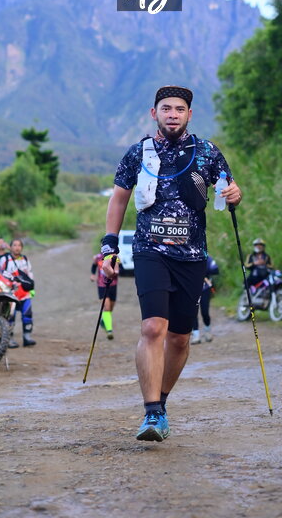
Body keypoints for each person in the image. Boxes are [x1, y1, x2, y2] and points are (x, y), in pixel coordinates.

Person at [101, 84, 242, 442]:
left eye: (179, 109)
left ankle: (161, 403)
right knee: (153, 328)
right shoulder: (138, 153)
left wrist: (234, 194)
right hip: (150, 251)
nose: (173, 115)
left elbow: (229, 191)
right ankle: (151, 413)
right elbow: (118, 200)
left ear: (189, 114)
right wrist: (109, 247)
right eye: (166, 109)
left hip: (192, 256)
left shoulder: (207, 152)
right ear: (154, 114)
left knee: (179, 338)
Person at [0, 239, 36, 348]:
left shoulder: (25, 259)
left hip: (24, 293)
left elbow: (29, 274)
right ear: (10, 247)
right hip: (10, 294)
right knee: (10, 317)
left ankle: (27, 338)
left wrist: (31, 288)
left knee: (27, 315)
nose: (17, 247)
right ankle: (8, 339)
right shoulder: (4, 260)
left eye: (19, 245)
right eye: (14, 245)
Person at [190, 254, 219, 344]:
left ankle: (207, 331)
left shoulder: (206, 257)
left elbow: (215, 269)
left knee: (205, 312)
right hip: (191, 289)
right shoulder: (187, 255)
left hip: (205, 289)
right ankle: (196, 335)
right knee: (193, 313)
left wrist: (203, 270)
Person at [90, 251, 118, 339]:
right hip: (102, 285)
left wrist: (116, 270)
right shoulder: (97, 257)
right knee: (107, 307)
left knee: (111, 308)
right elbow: (94, 265)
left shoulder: (114, 257)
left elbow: (118, 270)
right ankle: (109, 330)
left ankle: (103, 321)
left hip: (113, 285)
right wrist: (92, 274)